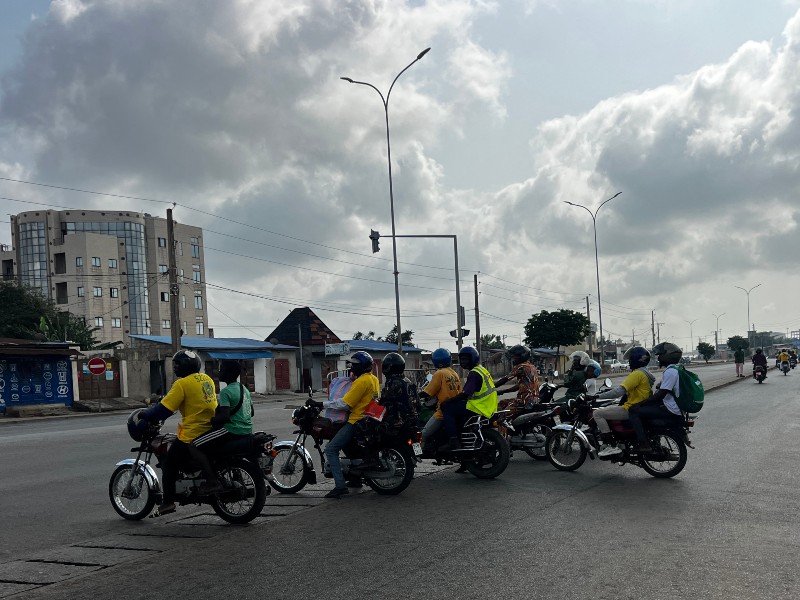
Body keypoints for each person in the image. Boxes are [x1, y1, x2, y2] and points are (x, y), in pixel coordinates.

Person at [137, 350, 218, 515]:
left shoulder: (182, 384)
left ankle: (167, 502)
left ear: (185, 366)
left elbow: (164, 409)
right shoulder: (206, 378)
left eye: (177, 364)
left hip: (193, 432)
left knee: (169, 464)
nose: (175, 367)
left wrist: (146, 414)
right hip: (210, 428)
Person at [188, 361, 253, 494]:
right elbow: (251, 412)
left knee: (194, 445)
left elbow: (224, 417)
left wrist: (211, 420)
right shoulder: (243, 389)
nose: (219, 372)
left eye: (221, 369)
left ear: (228, 373)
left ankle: (212, 482)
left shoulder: (226, 392)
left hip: (231, 430)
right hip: (246, 431)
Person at [323, 351, 380, 499]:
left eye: (354, 365)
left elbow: (344, 403)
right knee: (348, 447)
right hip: (370, 420)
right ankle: (354, 479)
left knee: (331, 449)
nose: (351, 368)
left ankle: (340, 486)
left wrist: (321, 404)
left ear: (361, 366)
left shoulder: (361, 382)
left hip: (357, 421)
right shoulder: (374, 379)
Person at [589, 346, 655, 457]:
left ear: (636, 359)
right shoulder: (645, 372)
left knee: (597, 413)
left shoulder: (637, 374)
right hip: (640, 406)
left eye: (630, 359)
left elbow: (619, 391)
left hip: (631, 408)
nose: (628, 361)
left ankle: (612, 445)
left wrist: (597, 396)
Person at [627, 343, 684, 451]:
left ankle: (643, 443)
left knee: (633, 411)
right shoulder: (676, 369)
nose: (658, 358)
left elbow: (660, 395)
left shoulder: (670, 372)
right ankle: (654, 439)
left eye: (660, 355)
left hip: (669, 408)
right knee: (646, 409)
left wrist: (640, 404)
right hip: (673, 406)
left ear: (667, 356)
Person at [440, 346, 498, 451]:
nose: (463, 362)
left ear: (473, 358)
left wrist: (447, 401)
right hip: (489, 405)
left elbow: (465, 394)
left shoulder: (474, 373)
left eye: (465, 359)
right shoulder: (482, 370)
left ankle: (453, 440)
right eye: (461, 359)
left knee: (447, 408)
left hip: (479, 406)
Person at [419, 348, 462, 453]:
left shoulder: (439, 374)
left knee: (423, 434)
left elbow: (428, 392)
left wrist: (416, 395)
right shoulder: (453, 373)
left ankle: (417, 455)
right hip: (456, 407)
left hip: (443, 411)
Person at [495, 345, 539, 414]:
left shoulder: (521, 367)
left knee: (501, 414)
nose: (513, 359)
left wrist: (492, 387)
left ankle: (503, 424)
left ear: (521, 356)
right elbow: (520, 386)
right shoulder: (532, 367)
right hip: (534, 400)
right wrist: (503, 391)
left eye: (515, 357)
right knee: (502, 403)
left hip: (524, 401)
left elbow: (506, 379)